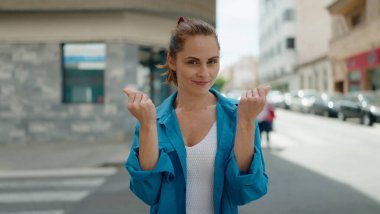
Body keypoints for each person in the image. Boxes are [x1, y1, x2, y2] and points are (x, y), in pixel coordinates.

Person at [123, 17, 269, 214]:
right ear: (172, 61)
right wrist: (148, 126)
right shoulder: (151, 119)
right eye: (192, 62)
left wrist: (246, 122)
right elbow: (147, 193)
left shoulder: (240, 115)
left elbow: (243, 192)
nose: (204, 72)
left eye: (212, 62)